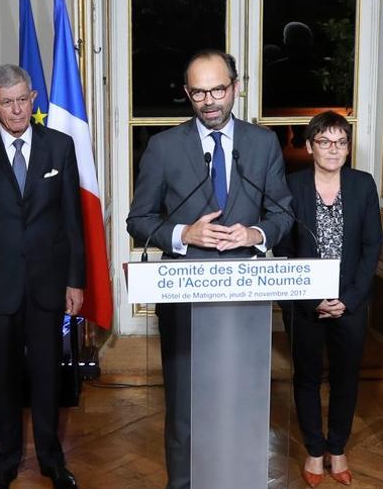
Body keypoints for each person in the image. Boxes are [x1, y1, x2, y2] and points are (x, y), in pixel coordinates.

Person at [125, 48, 293, 489]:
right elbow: (138, 219)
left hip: (244, 295)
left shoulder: (262, 143)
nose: (210, 101)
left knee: (241, 399)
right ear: (187, 94)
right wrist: (185, 234)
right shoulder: (164, 147)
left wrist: (255, 235)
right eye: (199, 92)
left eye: (218, 89)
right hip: (185, 296)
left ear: (236, 87)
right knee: (185, 404)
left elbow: (282, 214)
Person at [0, 64, 86, 489]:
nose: (16, 110)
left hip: (48, 285)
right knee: (5, 378)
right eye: (7, 102)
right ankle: (6, 460)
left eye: (23, 100)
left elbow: (73, 221)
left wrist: (75, 280)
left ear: (34, 98)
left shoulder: (60, 147)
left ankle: (51, 459)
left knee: (49, 376)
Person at [274, 111, 382, 488]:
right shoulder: (291, 187)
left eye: (340, 142)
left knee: (346, 379)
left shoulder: (364, 185)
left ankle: (338, 448)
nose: (332, 149)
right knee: (306, 378)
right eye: (324, 141)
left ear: (349, 148)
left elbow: (371, 248)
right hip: (304, 304)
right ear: (309, 146)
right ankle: (314, 451)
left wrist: (349, 299)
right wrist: (311, 298)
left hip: (350, 303)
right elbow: (284, 250)